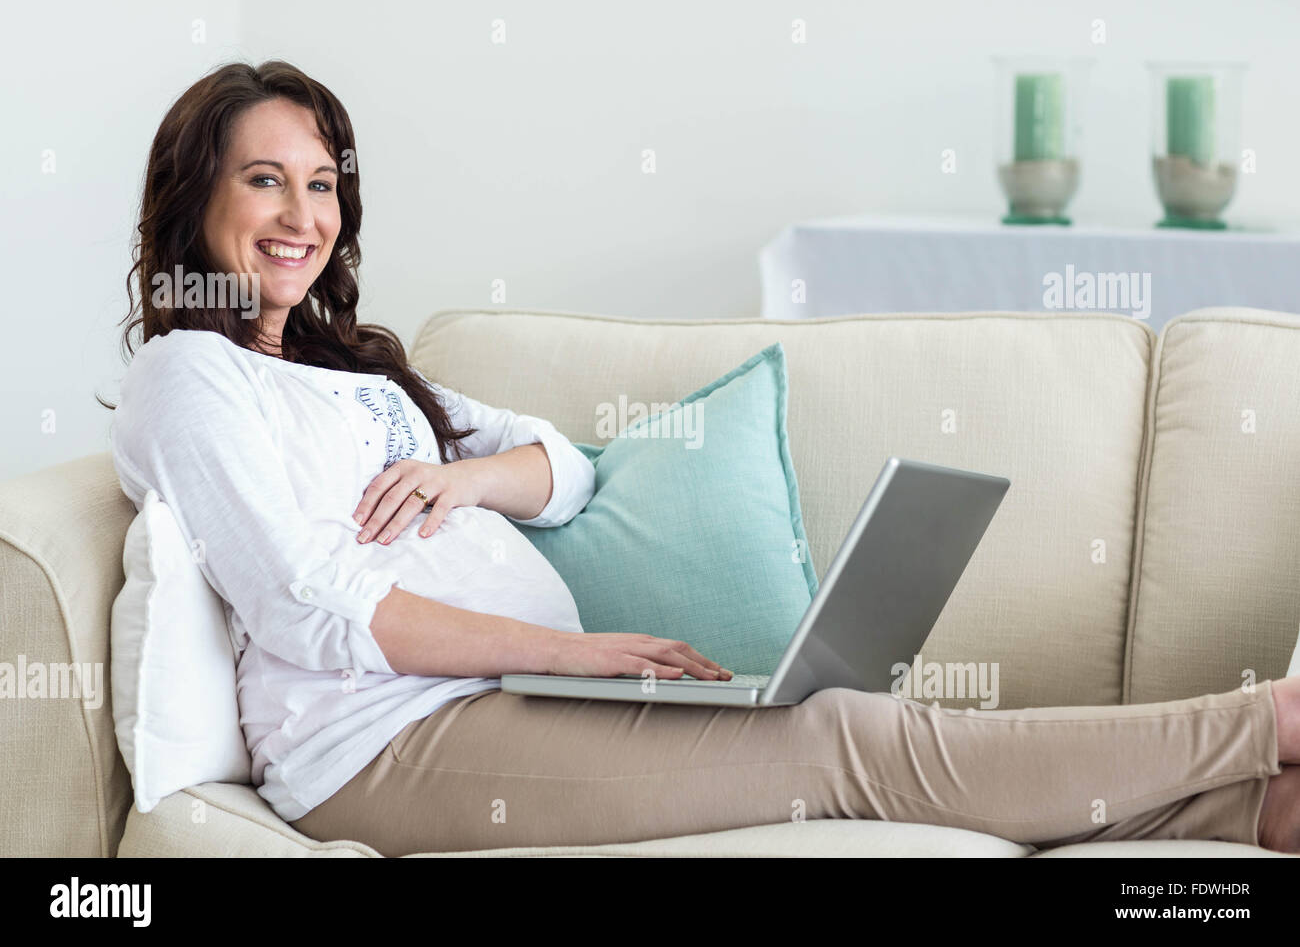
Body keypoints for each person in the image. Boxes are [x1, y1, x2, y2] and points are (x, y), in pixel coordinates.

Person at [105, 60, 1300, 857]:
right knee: (846, 739)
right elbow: (314, 603)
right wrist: (574, 652)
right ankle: (1261, 724)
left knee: (849, 720)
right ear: (194, 193)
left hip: (496, 700)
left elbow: (562, 466)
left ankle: (1251, 808)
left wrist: (460, 475)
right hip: (385, 747)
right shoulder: (193, 375)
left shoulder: (355, 369)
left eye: (321, 185)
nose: (302, 215)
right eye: (265, 179)